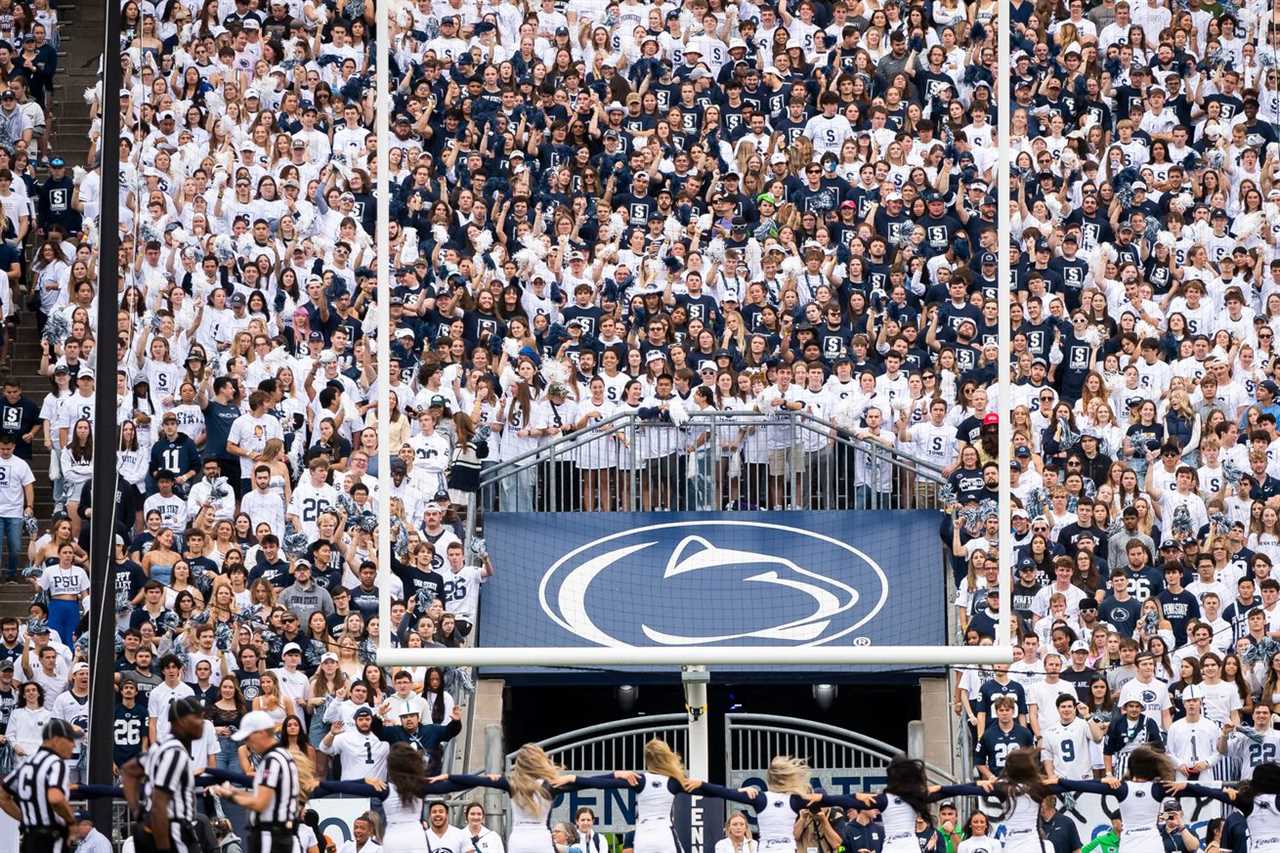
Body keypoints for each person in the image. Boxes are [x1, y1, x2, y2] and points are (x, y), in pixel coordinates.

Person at [209, 710, 304, 853]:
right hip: (277, 834)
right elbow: (266, 797)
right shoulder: (282, 755)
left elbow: (260, 803)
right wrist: (235, 791)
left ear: (261, 733)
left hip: (271, 836)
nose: (247, 743)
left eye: (248, 737)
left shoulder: (272, 760)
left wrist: (229, 795)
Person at [122, 696, 206, 853]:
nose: (201, 722)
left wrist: (137, 811)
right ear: (180, 721)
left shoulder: (160, 746)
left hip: (155, 827)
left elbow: (129, 770)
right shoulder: (175, 753)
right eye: (196, 717)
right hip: (171, 830)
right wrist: (164, 848)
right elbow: (159, 804)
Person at [0, 719, 76, 851]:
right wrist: (71, 821)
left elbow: (2, 796)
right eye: (70, 740)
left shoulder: (27, 763)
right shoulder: (56, 763)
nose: (73, 745)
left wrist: (26, 818)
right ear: (57, 740)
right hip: (51, 837)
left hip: (30, 838)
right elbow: (55, 798)